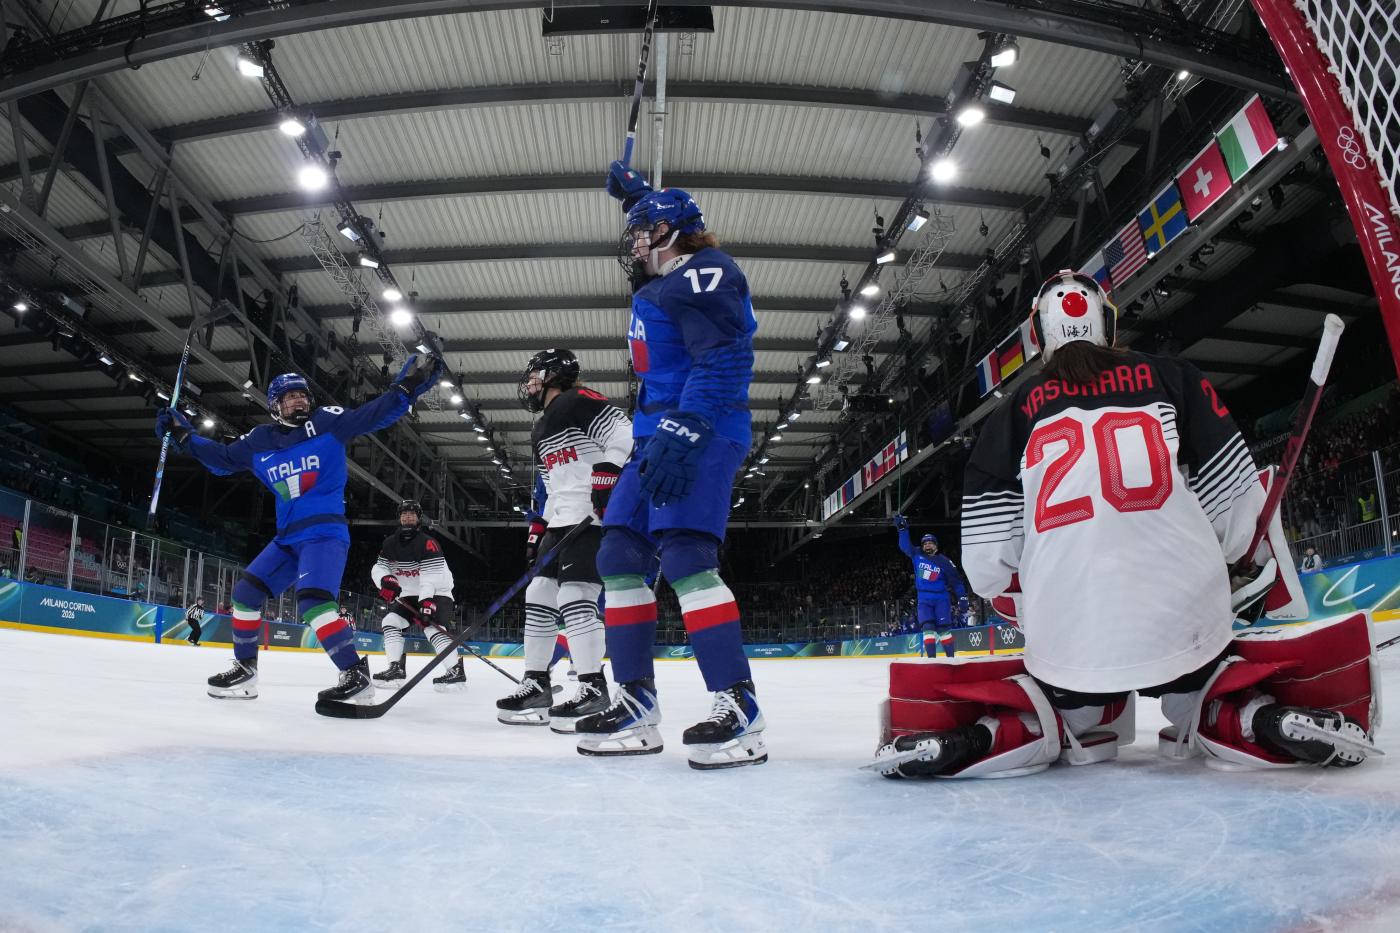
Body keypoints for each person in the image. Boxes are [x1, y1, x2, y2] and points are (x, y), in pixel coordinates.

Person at [875, 270, 1379, 778]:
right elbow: (1241, 517)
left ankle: (998, 731)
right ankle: (1247, 716)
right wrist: (1234, 569)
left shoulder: (1010, 416)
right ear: (1108, 322)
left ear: (1039, 333)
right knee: (1197, 678)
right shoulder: (1174, 378)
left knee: (1070, 698)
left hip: (1072, 636)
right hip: (1181, 623)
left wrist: (1038, 600)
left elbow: (985, 567)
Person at [577, 163, 765, 770]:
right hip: (653, 434)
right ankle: (635, 701)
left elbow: (726, 359)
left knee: (685, 554)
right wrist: (637, 197)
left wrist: (687, 429)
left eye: (642, 231)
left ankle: (739, 708)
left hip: (700, 427)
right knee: (618, 556)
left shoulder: (707, 272)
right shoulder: (663, 282)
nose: (633, 244)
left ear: (669, 232)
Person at [155, 355, 442, 704]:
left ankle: (355, 675)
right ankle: (246, 671)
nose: (300, 400)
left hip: (323, 534)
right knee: (245, 594)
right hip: (287, 539)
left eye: (303, 394)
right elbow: (223, 460)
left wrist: (406, 388)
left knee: (314, 602)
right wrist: (185, 435)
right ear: (275, 404)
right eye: (290, 396)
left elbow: (373, 414)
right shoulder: (259, 440)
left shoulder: (327, 422)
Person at [496, 349, 630, 731]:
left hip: (593, 517)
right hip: (561, 521)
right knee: (538, 594)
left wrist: (606, 475)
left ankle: (592, 686)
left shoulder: (580, 400)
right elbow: (552, 485)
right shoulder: (539, 429)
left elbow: (624, 436)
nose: (530, 383)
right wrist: (539, 525)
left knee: (576, 597)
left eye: (534, 375)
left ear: (554, 374)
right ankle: (537, 683)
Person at [370, 500, 464, 693]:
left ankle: (455, 671)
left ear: (419, 518)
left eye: (412, 514)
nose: (407, 516)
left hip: (437, 592)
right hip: (409, 594)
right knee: (390, 622)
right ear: (399, 517)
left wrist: (427, 602)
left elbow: (432, 576)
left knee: (432, 628)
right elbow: (379, 567)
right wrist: (385, 580)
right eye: (404, 513)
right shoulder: (390, 543)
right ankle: (395, 668)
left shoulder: (428, 543)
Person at [892, 517, 968, 658]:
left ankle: (950, 659)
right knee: (927, 628)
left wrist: (962, 598)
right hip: (924, 599)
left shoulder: (945, 562)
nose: (927, 545)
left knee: (944, 630)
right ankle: (931, 660)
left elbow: (957, 582)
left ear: (936, 545)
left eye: (930, 543)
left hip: (941, 599)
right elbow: (904, 546)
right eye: (925, 543)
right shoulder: (916, 554)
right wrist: (902, 530)